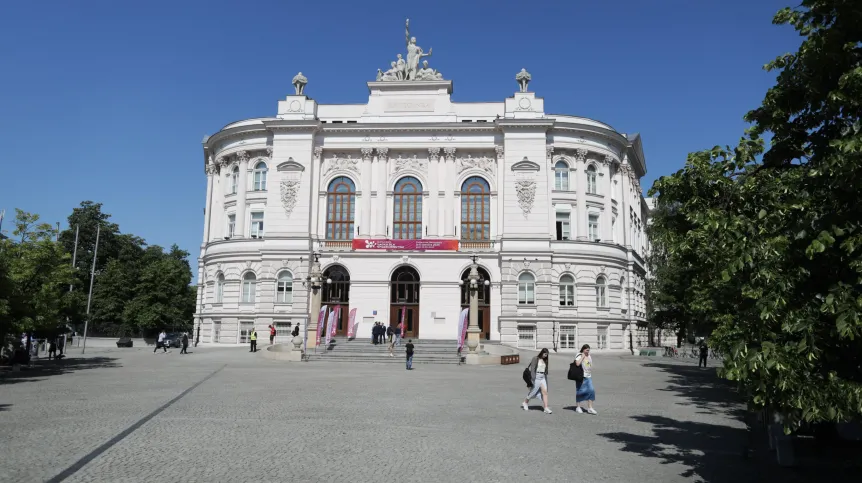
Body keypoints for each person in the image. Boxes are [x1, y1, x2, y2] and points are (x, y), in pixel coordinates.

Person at [522, 348, 552, 414]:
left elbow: (545, 370)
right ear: (542, 353)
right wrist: (533, 379)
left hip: (543, 377)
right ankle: (525, 402)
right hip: (536, 377)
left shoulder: (545, 360)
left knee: (545, 392)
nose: (546, 356)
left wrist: (545, 378)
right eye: (545, 354)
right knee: (533, 391)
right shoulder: (535, 358)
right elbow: (532, 369)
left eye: (547, 355)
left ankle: (546, 408)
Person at [574, 344, 597, 414]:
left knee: (591, 391)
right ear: (583, 349)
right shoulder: (579, 355)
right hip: (581, 376)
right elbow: (577, 364)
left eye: (588, 350)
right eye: (587, 350)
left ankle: (590, 408)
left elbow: (590, 364)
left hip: (588, 376)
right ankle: (578, 407)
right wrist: (582, 357)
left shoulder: (589, 355)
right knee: (580, 391)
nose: (588, 351)